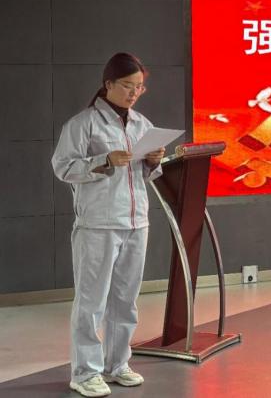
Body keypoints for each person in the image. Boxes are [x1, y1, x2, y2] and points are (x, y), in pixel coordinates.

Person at [52, 53, 165, 398]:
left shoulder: (142, 124)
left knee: (125, 299)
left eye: (139, 87)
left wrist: (154, 161)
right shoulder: (82, 124)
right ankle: (85, 372)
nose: (134, 93)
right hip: (98, 224)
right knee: (92, 301)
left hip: (136, 221)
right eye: (127, 86)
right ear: (108, 84)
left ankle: (117, 365)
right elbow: (63, 167)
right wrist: (104, 160)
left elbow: (148, 175)